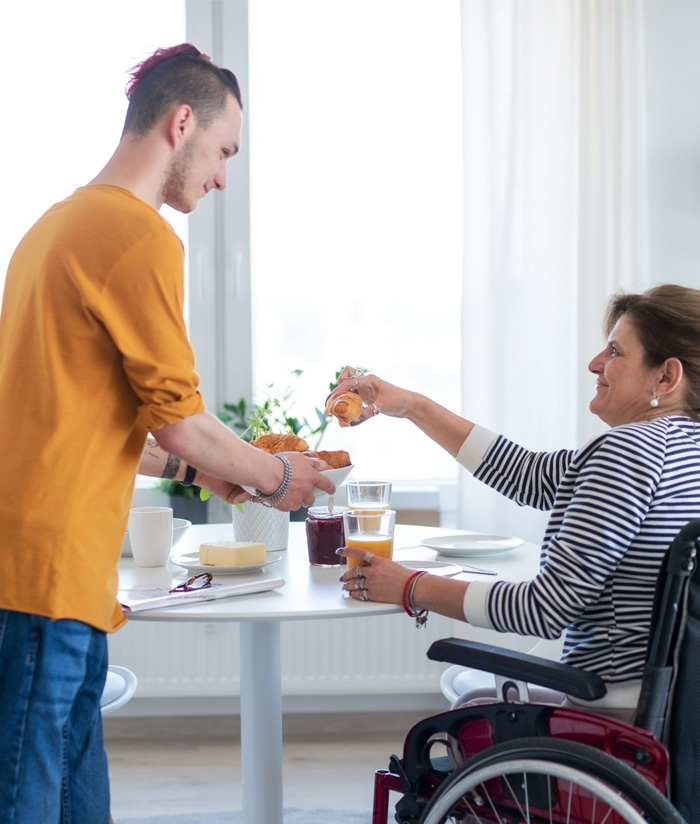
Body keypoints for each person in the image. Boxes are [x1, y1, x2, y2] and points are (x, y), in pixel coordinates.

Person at [0, 44, 333, 823]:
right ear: (182, 122)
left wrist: (203, 474)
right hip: (51, 566)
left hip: (46, 562)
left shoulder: (53, 227)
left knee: (73, 772)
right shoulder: (135, 234)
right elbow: (180, 421)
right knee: (28, 781)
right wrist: (277, 479)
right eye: (223, 152)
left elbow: (85, 416)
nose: (222, 176)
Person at [333, 284, 700, 719]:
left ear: (666, 376)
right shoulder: (679, 451)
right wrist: (412, 406)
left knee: (465, 710)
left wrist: (412, 586)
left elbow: (543, 610)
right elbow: (526, 475)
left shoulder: (627, 452)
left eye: (615, 352)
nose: (595, 364)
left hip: (618, 710)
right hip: (679, 707)